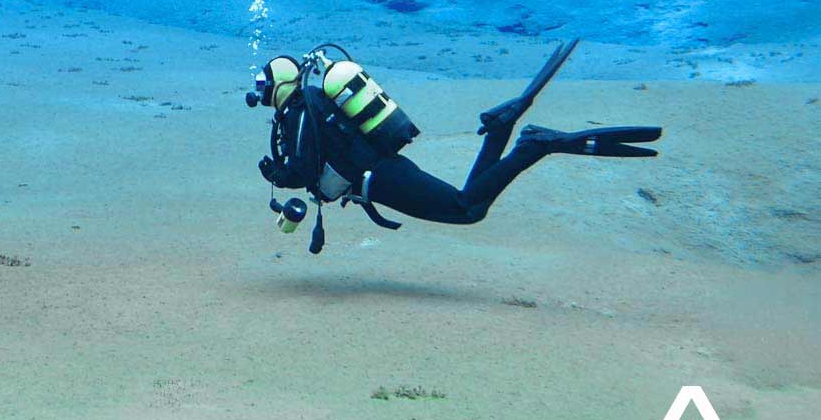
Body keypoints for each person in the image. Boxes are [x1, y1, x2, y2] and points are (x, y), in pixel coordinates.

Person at [247, 39, 661, 254]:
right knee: (467, 203)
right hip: (383, 172)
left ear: (279, 86)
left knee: (467, 209)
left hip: (381, 178)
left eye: (263, 87)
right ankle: (500, 130)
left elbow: (302, 169)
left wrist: (277, 176)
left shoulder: (302, 112)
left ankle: (531, 145)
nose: (261, 95)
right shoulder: (310, 107)